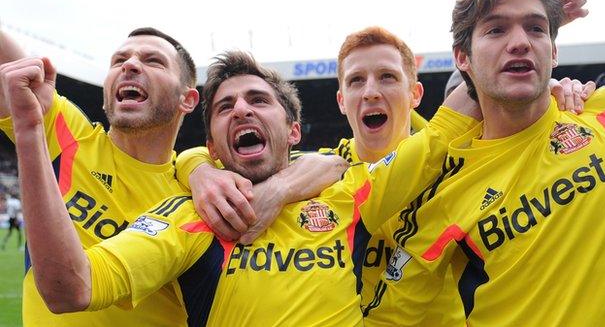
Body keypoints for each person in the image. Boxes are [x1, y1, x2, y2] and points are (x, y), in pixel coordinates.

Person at [5, 48, 482, 325]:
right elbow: (71, 289)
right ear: (211, 146)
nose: (242, 110)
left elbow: (446, 127)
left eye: (259, 100)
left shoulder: (348, 188)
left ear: (294, 132)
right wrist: (29, 137)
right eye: (225, 106)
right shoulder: (190, 215)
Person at [0, 28, 339, 326]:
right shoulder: (68, 136)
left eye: (153, 61)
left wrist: (273, 186)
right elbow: (23, 71)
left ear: (188, 99)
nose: (130, 65)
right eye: (118, 60)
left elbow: (330, 164)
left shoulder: (202, 196)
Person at [360, 0, 605, 325]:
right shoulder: (444, 198)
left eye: (536, 28)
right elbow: (388, 318)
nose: (520, 43)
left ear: (554, 51)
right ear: (462, 58)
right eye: (496, 30)